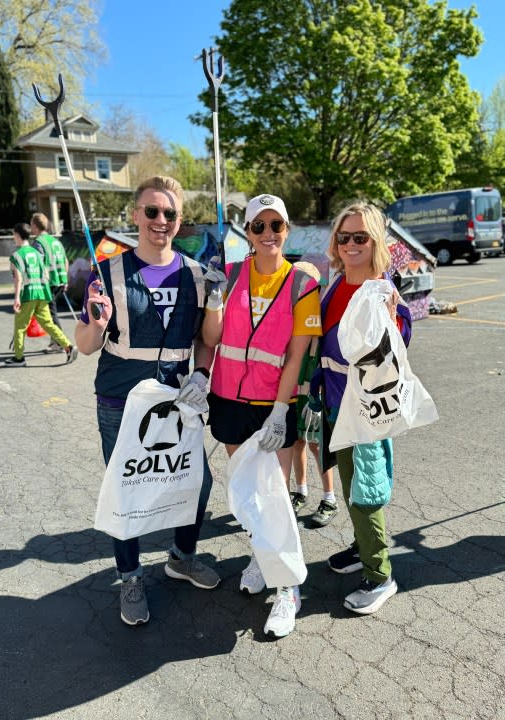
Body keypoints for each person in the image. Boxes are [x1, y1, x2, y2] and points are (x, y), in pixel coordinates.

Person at [74, 175, 220, 627]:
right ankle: (131, 576)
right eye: (152, 211)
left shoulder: (197, 275)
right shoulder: (109, 273)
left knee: (198, 484)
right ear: (135, 216)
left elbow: (209, 340)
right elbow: (84, 344)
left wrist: (201, 371)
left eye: (170, 213)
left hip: (178, 401)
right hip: (121, 400)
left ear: (179, 221)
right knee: (128, 491)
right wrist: (97, 323)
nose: (161, 220)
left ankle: (181, 556)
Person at [203, 193, 322, 638]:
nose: (268, 234)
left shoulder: (301, 286)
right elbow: (211, 338)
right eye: (259, 226)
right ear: (247, 233)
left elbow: (295, 356)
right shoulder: (230, 276)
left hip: (273, 408)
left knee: (275, 497)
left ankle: (288, 589)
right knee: (248, 498)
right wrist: (214, 299)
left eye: (277, 226)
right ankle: (260, 557)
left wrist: (278, 411)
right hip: (230, 402)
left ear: (286, 231)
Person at [309, 202, 412, 614]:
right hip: (334, 404)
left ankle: (380, 575)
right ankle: (361, 546)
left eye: (360, 237)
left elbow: (398, 347)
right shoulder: (336, 284)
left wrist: (395, 321)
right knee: (351, 487)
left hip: (365, 412)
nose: (351, 244)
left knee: (364, 491)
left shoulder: (380, 289)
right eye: (344, 236)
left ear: (375, 242)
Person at [290, 256, 337, 526]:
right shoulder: (288, 316)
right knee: (297, 442)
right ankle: (300, 491)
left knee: (318, 445)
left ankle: (329, 498)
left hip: (315, 393)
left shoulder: (322, 318)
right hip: (293, 391)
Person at [5, 222, 78, 367]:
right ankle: (68, 346)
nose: (13, 237)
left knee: (20, 326)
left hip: (28, 294)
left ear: (18, 236)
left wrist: (17, 298)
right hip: (42, 292)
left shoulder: (16, 256)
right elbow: (45, 273)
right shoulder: (37, 253)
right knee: (48, 323)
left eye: (14, 234)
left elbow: (18, 279)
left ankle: (19, 358)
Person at [30, 212, 70, 353]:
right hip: (59, 281)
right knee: (51, 312)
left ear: (35, 226)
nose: (31, 228)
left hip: (49, 283)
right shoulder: (55, 241)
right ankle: (56, 341)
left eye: (31, 225)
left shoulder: (38, 243)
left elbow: (37, 265)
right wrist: (65, 279)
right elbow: (65, 260)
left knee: (50, 315)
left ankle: (59, 343)